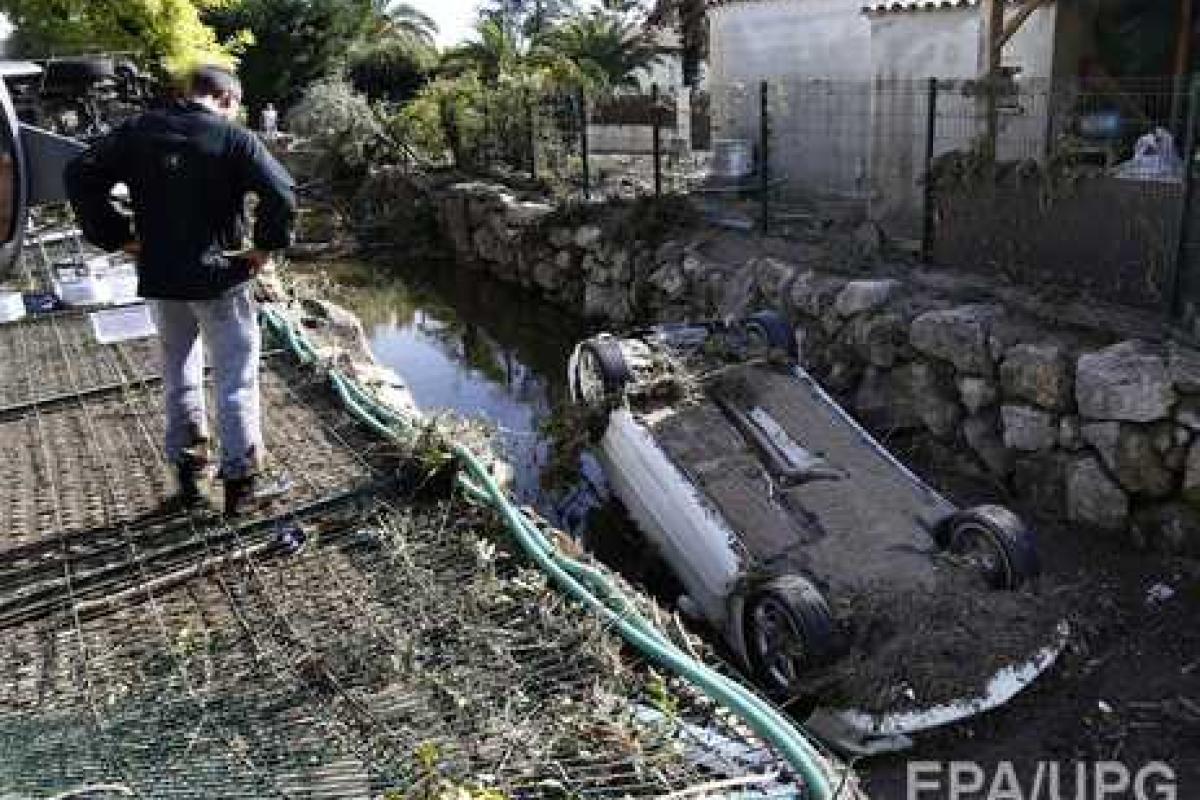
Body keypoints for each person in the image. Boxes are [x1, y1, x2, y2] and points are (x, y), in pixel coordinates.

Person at [66, 65, 297, 516]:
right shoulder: (234, 138)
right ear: (227, 99)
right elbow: (282, 192)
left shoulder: (138, 132)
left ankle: (190, 476)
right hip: (219, 278)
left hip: (161, 277)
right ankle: (242, 484)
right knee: (235, 376)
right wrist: (265, 248)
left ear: (191, 92)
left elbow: (80, 172)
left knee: (179, 372)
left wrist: (117, 237)